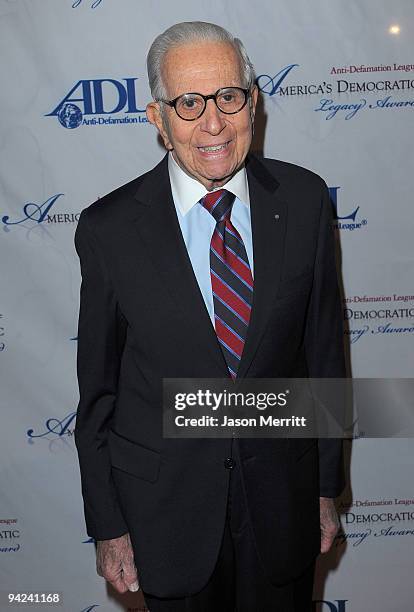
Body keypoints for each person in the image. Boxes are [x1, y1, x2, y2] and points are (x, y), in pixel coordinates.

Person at [74, 21, 345, 612]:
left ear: (253, 102)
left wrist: (326, 489)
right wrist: (108, 524)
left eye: (229, 96)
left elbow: (324, 356)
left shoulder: (303, 201)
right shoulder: (109, 230)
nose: (214, 123)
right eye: (188, 103)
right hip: (166, 516)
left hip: (282, 503)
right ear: (157, 119)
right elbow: (98, 394)